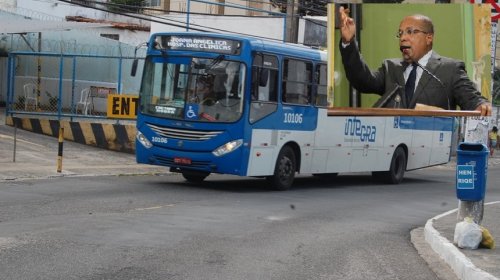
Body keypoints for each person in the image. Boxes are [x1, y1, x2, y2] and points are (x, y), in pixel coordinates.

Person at [338, 7, 491, 116]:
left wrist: (482, 105)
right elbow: (362, 80)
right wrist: (348, 42)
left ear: (429, 38)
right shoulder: (390, 68)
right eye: (401, 33)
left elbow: (473, 100)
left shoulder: (450, 69)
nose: (403, 37)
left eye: (411, 32)